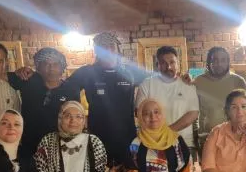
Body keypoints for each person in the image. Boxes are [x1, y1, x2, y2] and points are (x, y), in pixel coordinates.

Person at [15, 32, 147, 165]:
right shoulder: (87, 72)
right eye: (102, 47)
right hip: (97, 139)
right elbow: (59, 85)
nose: (107, 50)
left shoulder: (131, 71)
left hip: (127, 138)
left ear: (118, 49)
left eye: (111, 46)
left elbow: (154, 83)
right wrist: (34, 75)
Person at [9, 48, 80, 154]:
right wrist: (19, 72)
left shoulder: (71, 90)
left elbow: (76, 119)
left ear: (62, 68)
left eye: (55, 64)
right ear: (38, 67)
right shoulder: (28, 81)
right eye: (46, 64)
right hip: (29, 146)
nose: (51, 68)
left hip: (59, 147)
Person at [135, 46, 199, 158]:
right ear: (157, 65)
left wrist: (167, 132)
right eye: (163, 63)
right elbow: (140, 112)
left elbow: (193, 113)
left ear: (178, 64)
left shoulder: (188, 85)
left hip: (184, 143)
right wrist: (160, 135)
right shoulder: (147, 85)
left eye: (172, 62)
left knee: (187, 170)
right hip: (153, 145)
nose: (168, 67)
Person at [194, 47, 246, 152]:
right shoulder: (198, 81)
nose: (219, 64)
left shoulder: (238, 81)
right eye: (215, 60)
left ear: (228, 62)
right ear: (209, 62)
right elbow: (193, 110)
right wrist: (196, 135)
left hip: (234, 138)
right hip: (206, 137)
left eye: (223, 60)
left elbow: (244, 110)